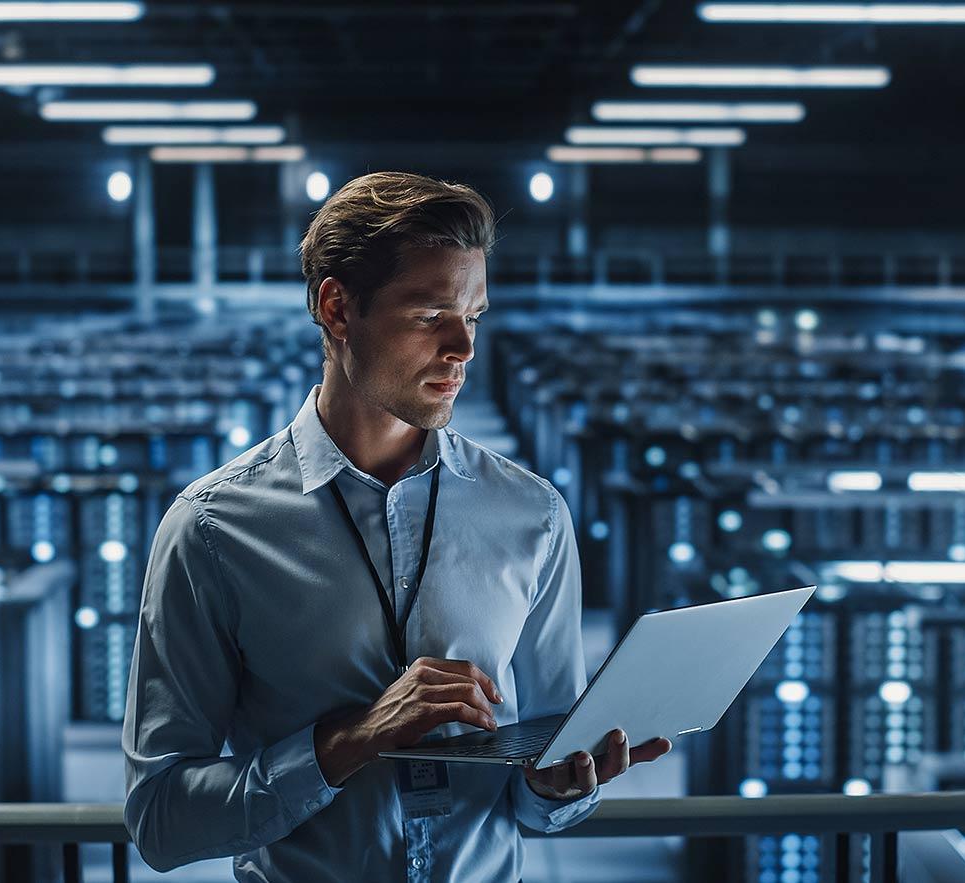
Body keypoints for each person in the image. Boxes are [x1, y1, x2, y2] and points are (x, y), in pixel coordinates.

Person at [122, 171, 670, 881]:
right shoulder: (212, 530)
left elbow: (545, 785)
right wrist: (351, 741)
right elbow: (162, 821)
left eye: (472, 316)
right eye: (429, 314)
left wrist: (559, 786)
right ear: (338, 308)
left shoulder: (532, 513)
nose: (463, 347)